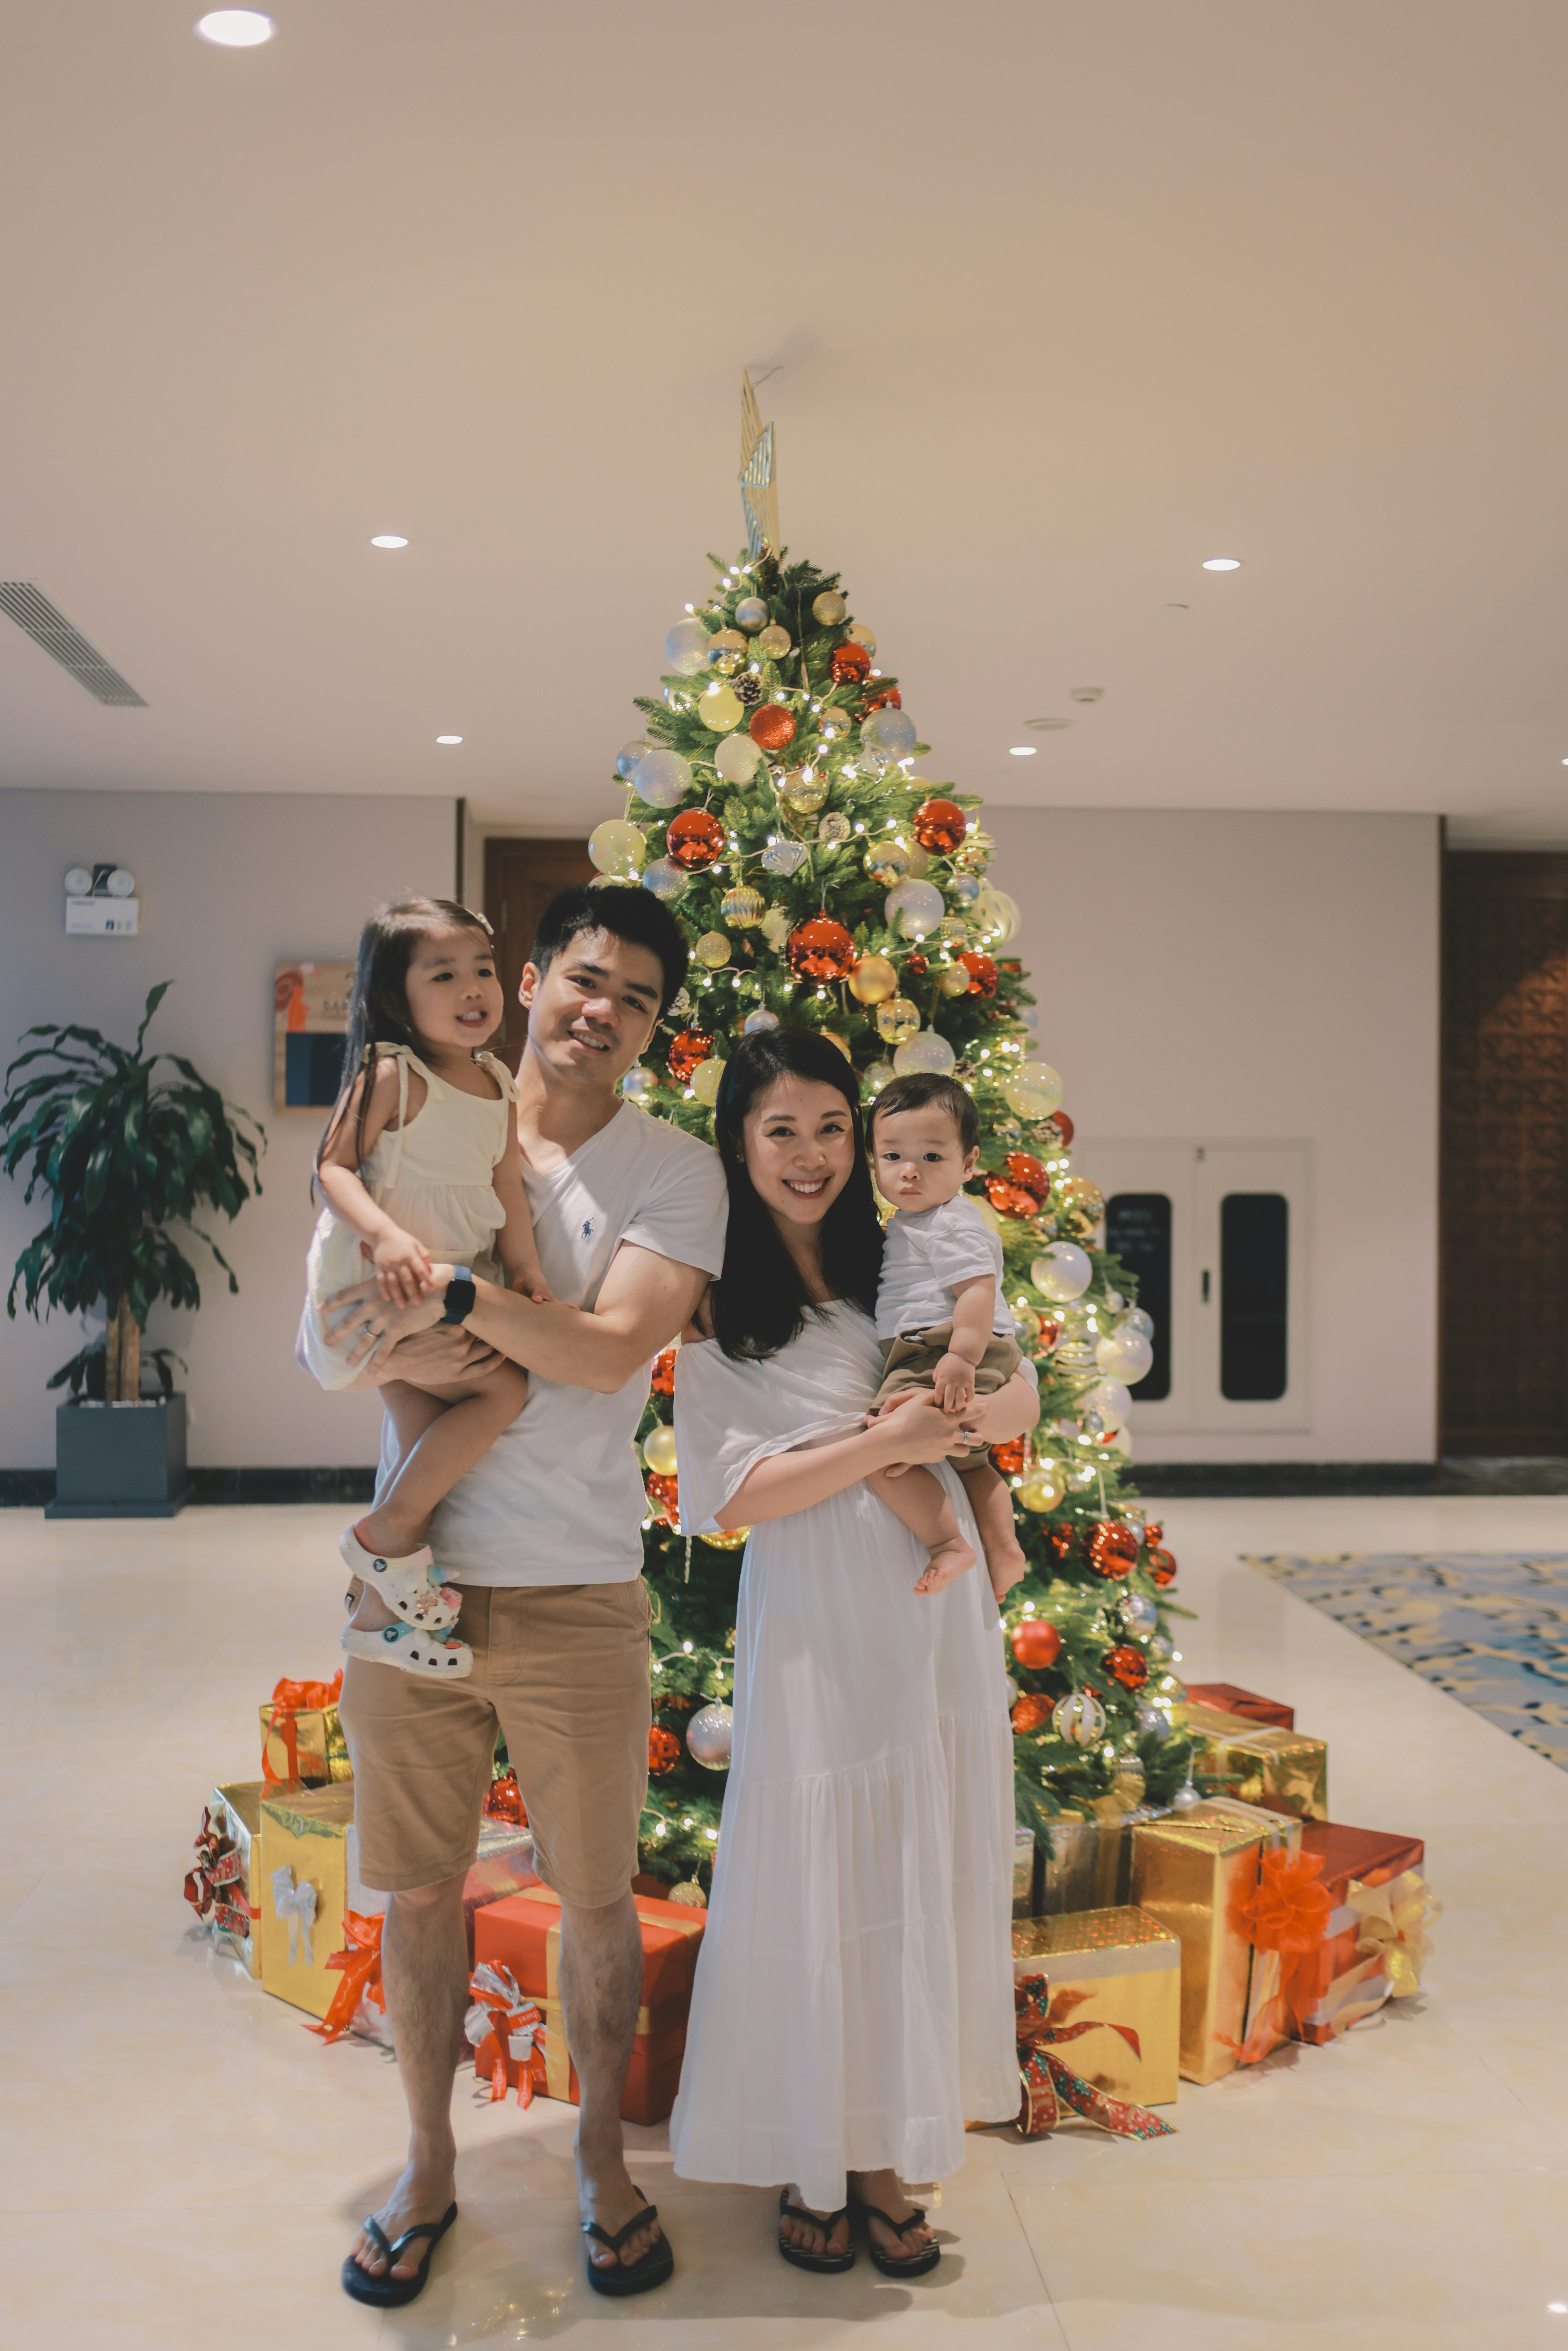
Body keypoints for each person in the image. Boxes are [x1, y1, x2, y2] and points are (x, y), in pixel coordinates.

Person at [316, 884, 727, 2308]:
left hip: (579, 1588)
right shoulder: (428, 1112)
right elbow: (336, 1313)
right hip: (415, 1586)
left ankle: (602, 2163)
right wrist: (396, 1309)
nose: (603, 1010)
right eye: (586, 977)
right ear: (534, 976)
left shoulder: (676, 1171)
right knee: (420, 1892)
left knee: (599, 1899)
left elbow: (610, 1353)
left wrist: (444, 1302)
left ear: (655, 1027)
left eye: (641, 999)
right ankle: (426, 2163)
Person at [667, 1029, 1037, 2277]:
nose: (813, 1154)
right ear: (738, 1140)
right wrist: (886, 1446)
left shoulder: (911, 1253)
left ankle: (883, 2152)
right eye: (780, 1129)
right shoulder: (719, 1294)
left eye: (832, 1126)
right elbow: (732, 1495)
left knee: (909, 1869)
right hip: (816, 1613)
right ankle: (809, 2148)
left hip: (925, 1615)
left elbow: (1018, 1384)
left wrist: (969, 1415)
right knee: (822, 1868)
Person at [300, 897, 549, 1678]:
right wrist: (386, 1234)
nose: (473, 987)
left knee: (423, 1430)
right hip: (382, 1289)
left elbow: (507, 1186)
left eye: (482, 969)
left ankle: (378, 1617)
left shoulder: (499, 1084)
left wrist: (530, 1265)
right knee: (501, 1391)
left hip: (441, 1290)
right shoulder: (392, 1076)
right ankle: (382, 1538)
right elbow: (332, 1167)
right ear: (395, 997)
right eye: (444, 974)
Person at [864, 1069, 1029, 1602]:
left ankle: (948, 1542)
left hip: (943, 1346)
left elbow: (978, 1291)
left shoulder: (948, 1222)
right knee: (973, 1461)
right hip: (946, 1344)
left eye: (931, 1158)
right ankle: (1003, 1546)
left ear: (969, 1162)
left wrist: (959, 1358)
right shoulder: (915, 1221)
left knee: (879, 1450)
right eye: (892, 1157)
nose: (909, 1172)